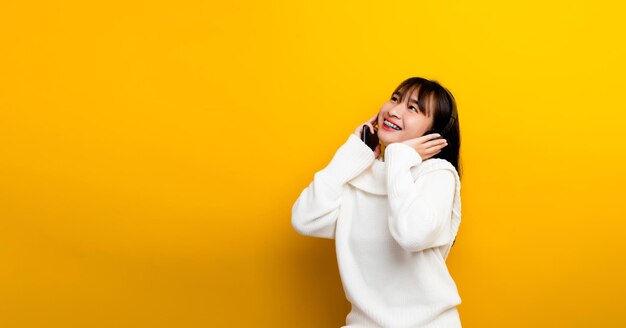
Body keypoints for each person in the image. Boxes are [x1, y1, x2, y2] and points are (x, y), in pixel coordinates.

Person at [291, 77, 463, 327]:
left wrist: (399, 158)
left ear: (431, 134)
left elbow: (412, 235)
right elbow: (304, 219)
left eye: (412, 108)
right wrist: (353, 152)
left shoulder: (437, 174)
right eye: (395, 99)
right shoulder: (359, 176)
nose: (394, 110)